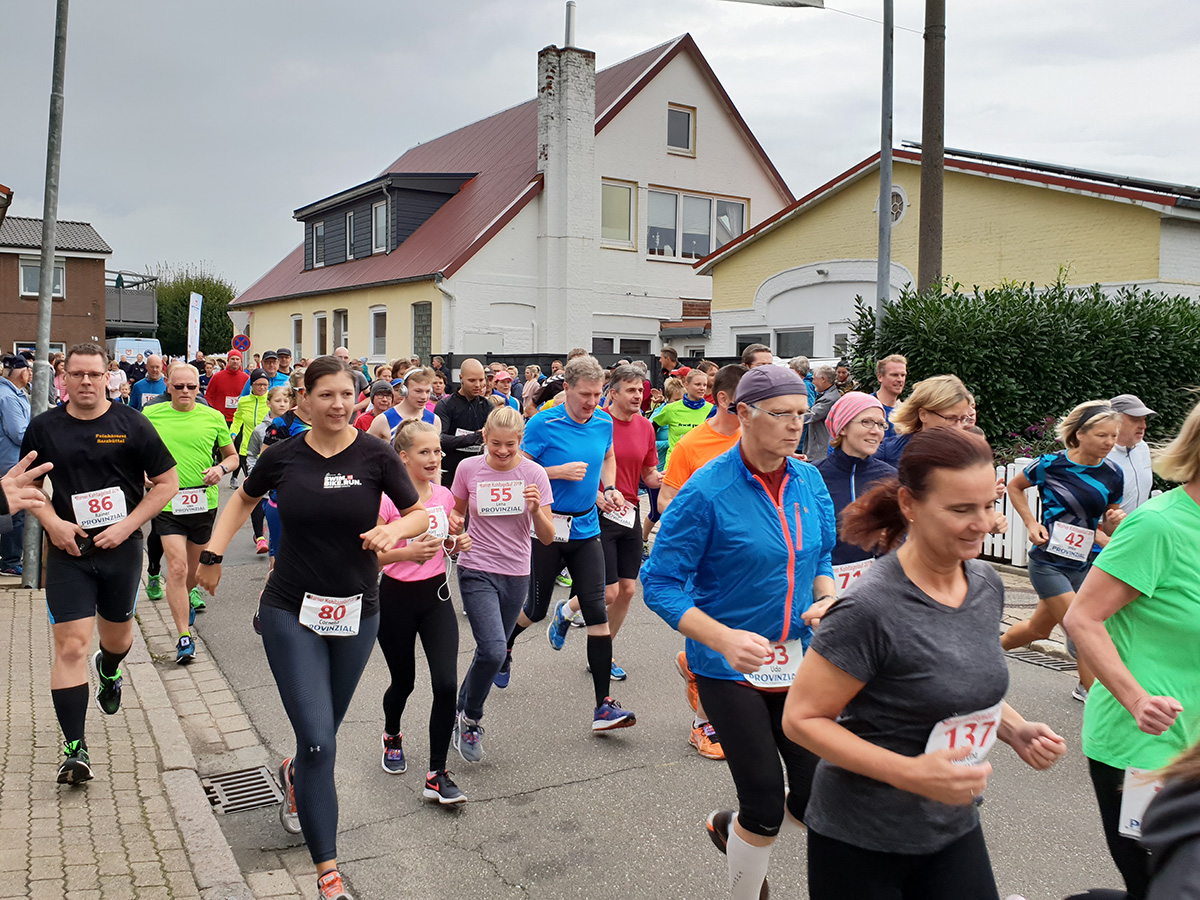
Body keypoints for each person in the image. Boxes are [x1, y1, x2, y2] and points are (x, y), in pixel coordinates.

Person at [783, 427, 1067, 900]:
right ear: (910, 505)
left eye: (987, 506)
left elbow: (957, 677)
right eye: (961, 510)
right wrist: (908, 772)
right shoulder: (868, 608)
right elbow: (801, 720)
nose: (982, 523)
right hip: (859, 838)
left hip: (950, 826)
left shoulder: (985, 583)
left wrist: (1014, 728)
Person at [196, 356, 427, 900]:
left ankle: (296, 774)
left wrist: (392, 533)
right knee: (321, 744)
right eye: (327, 395)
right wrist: (212, 553)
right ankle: (328, 875)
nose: (338, 404)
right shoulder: (283, 455)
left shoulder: (375, 454)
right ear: (304, 399)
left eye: (347, 394)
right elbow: (243, 499)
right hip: (290, 609)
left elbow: (417, 512)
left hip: (357, 611)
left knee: (318, 737)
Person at [641, 364, 839, 900]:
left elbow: (821, 554)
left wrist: (825, 597)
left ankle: (732, 832)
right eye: (781, 414)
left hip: (797, 658)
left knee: (819, 798)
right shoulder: (707, 490)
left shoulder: (809, 480)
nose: (796, 426)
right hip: (727, 667)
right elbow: (659, 583)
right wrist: (722, 638)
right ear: (744, 413)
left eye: (802, 414)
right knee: (765, 804)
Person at [21, 343, 179, 783]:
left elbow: (167, 483)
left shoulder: (132, 424)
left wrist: (126, 527)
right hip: (68, 552)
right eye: (77, 374)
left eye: (94, 374)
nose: (86, 382)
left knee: (117, 639)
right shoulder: (44, 428)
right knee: (71, 646)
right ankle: (75, 749)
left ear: (108, 378)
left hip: (120, 551)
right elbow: (26, 486)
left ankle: (108, 670)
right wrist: (53, 523)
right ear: (64, 379)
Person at [1063, 395, 1200, 899]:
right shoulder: (1158, 526)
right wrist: (1138, 700)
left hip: (1195, 748)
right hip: (1145, 747)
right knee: (1159, 887)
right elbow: (1082, 618)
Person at [505, 355, 636, 731]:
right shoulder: (543, 424)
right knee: (535, 609)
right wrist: (555, 472)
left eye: (597, 394)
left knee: (596, 610)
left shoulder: (603, 422)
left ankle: (603, 707)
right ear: (566, 389)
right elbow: (515, 470)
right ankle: (504, 646)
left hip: (586, 529)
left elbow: (608, 457)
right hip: (547, 528)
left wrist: (608, 487)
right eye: (584, 395)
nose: (592, 402)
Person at [450, 406, 555, 759]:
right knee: (495, 649)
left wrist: (536, 510)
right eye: (495, 444)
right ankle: (471, 719)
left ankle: (459, 710)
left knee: (489, 652)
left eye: (510, 445)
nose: (503, 451)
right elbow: (456, 513)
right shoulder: (468, 468)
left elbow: (547, 537)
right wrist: (454, 529)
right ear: (484, 437)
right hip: (476, 567)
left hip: (516, 572)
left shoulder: (534, 474)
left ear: (521, 440)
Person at [1002, 400, 1125, 702]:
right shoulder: (1049, 464)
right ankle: (1095, 699)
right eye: (1102, 435)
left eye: (1113, 436)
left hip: (1086, 565)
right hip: (1048, 562)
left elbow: (1108, 521)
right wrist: (1031, 523)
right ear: (1080, 434)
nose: (1109, 443)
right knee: (1083, 630)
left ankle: (984, 653)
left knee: (1038, 630)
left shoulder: (1113, 473)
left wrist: (1112, 524)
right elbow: (1014, 487)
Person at [375, 419, 470, 803]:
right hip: (395, 599)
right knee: (404, 682)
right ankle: (392, 734)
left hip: (437, 597)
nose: (434, 458)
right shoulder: (386, 500)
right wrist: (407, 552)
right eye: (425, 452)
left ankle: (437, 773)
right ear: (403, 457)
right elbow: (369, 558)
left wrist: (455, 542)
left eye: (438, 452)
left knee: (446, 684)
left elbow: (444, 543)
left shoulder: (444, 496)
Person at [551, 366, 659, 680]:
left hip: (629, 511)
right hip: (597, 512)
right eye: (631, 390)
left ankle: (603, 654)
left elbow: (648, 474)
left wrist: (670, 478)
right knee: (608, 592)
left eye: (640, 390)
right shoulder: (596, 421)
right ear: (612, 393)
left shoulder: (645, 426)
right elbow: (579, 466)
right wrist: (597, 495)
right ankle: (567, 610)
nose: (638, 396)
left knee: (627, 590)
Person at [143, 364, 238, 663]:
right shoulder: (151, 415)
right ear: (168, 386)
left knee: (193, 573)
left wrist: (220, 469)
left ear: (199, 388)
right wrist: (142, 474)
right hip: (167, 501)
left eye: (191, 387)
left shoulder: (213, 417)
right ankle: (184, 636)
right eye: (179, 386)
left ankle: (182, 601)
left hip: (202, 502)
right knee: (177, 567)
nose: (185, 391)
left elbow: (233, 457)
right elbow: (133, 454)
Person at [811, 391, 896, 585]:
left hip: (878, 588)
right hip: (822, 588)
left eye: (881, 424)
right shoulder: (813, 476)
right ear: (842, 427)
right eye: (867, 422)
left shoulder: (891, 478)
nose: (876, 431)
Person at [876, 373, 972, 467]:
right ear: (923, 415)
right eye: (950, 418)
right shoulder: (889, 452)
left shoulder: (971, 456)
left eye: (963, 419)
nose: (958, 427)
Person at [245, 386, 293, 555]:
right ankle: (260, 537)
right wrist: (255, 474)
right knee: (260, 509)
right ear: (268, 403)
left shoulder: (296, 427)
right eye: (278, 401)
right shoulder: (260, 430)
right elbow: (252, 454)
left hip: (286, 485)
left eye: (286, 401)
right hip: (265, 482)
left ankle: (274, 551)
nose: (282, 404)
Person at [434, 359, 492, 487]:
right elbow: (439, 439)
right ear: (461, 378)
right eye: (472, 380)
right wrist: (474, 437)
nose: (477, 385)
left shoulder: (488, 406)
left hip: (480, 473)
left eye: (481, 380)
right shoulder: (445, 405)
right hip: (451, 473)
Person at [0, 355, 33, 575]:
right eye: (28, 369)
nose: (31, 373)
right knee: (15, 512)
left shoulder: (13, 393)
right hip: (10, 462)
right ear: (22, 372)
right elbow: (19, 432)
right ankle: (10, 561)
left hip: (10, 460)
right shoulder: (8, 397)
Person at [650, 368, 713, 466]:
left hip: (699, 466)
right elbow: (652, 428)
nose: (702, 388)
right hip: (674, 464)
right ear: (687, 385)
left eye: (704, 385)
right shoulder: (671, 409)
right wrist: (652, 451)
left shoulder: (712, 410)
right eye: (697, 384)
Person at [1106, 394, 1157, 514]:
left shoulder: (1142, 447)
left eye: (1144, 420)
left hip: (1139, 524)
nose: (1143, 426)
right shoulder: (1099, 454)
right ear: (1113, 421)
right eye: (1135, 419)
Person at [370, 368, 440, 443]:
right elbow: (365, 448)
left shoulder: (434, 420)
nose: (424, 397)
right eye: (418, 391)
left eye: (427, 391)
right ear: (404, 391)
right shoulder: (383, 420)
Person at [229, 368, 273, 483]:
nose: (262, 388)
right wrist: (233, 433)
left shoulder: (272, 400)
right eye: (259, 384)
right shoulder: (243, 401)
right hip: (247, 449)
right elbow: (238, 419)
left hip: (267, 447)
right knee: (252, 481)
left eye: (265, 385)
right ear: (252, 385)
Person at [205, 349, 249, 428]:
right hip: (220, 419)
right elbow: (208, 396)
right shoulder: (217, 377)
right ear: (228, 361)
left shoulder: (247, 378)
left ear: (241, 362)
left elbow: (250, 397)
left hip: (239, 419)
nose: (235, 361)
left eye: (237, 359)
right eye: (232, 359)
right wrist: (214, 411)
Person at [804, 364, 840, 459]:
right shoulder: (826, 395)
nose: (813, 382)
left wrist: (790, 416)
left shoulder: (829, 398)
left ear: (823, 379)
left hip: (820, 450)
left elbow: (810, 416)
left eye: (814, 379)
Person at [871, 353, 907, 446]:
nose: (900, 380)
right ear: (880, 377)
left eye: (903, 375)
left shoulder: (906, 412)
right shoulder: (867, 406)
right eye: (894, 375)